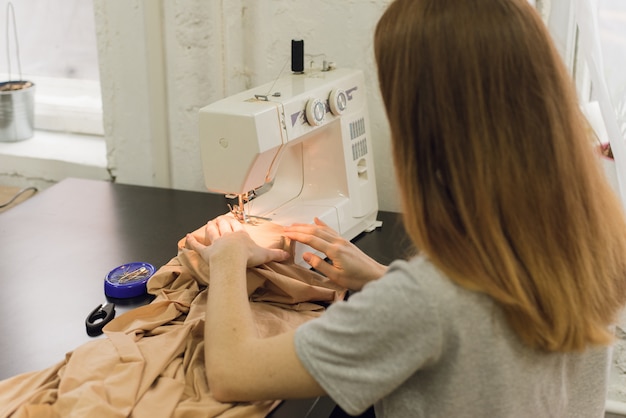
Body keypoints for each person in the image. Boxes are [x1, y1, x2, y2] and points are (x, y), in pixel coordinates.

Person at [185, 0, 626, 416]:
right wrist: (380, 277)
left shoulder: (426, 303)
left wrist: (227, 259)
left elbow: (233, 372)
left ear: (426, 133)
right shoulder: (597, 245)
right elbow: (485, 320)